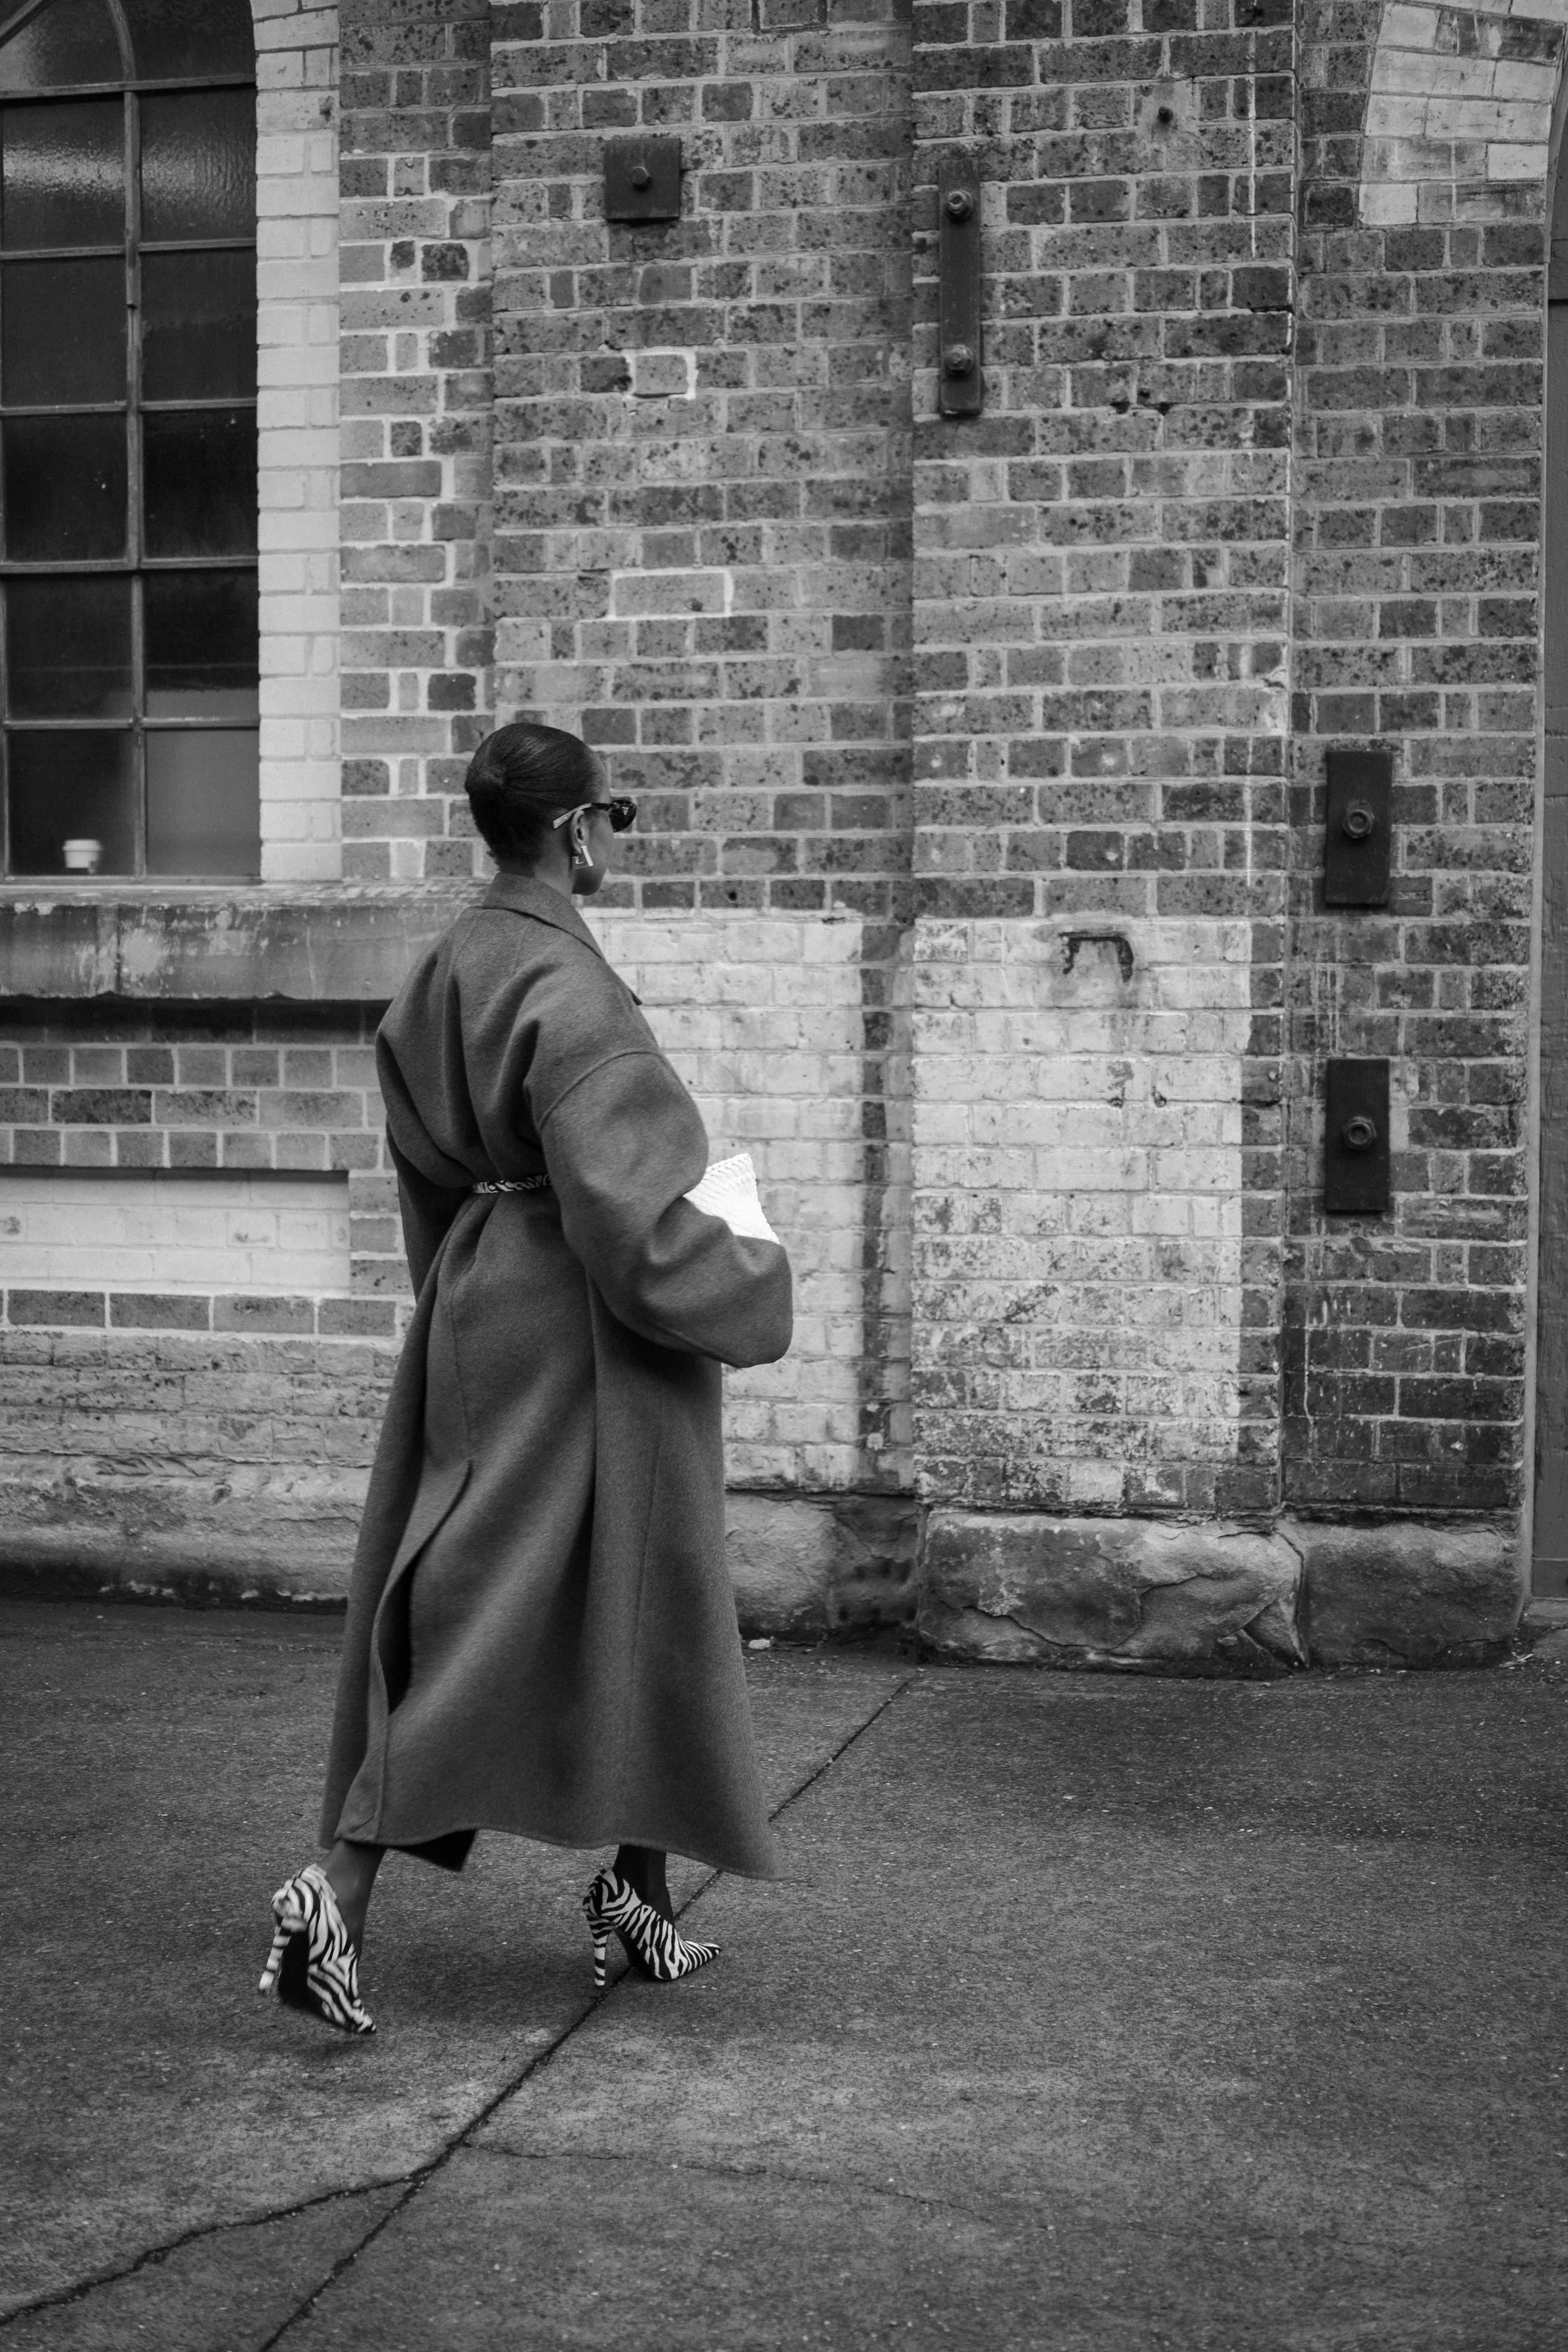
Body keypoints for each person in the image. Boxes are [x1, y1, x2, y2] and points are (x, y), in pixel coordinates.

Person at [258, 721, 793, 2035]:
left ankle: (639, 1897)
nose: (616, 836)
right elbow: (636, 1222)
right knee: (524, 1600)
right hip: (593, 1332)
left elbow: (425, 1172)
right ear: (568, 831)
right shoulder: (576, 989)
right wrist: (753, 1273)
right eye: (613, 815)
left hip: (486, 1297)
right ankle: (338, 1883)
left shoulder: (450, 965)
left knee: (555, 1585)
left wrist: (466, 1296)